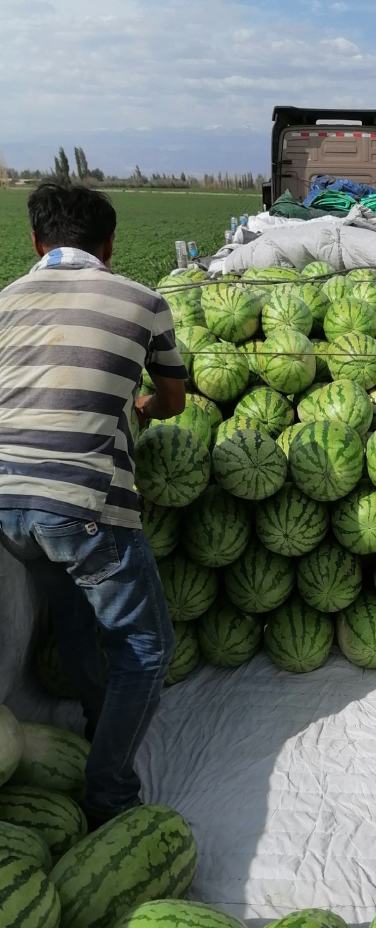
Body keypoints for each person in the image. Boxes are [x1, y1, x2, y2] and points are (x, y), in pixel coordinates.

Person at [0, 182, 187, 826]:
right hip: (81, 506)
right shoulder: (142, 301)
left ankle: (92, 721)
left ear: (35, 242)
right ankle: (108, 790)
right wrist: (137, 408)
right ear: (108, 246)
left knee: (76, 620)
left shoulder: (3, 302)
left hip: (7, 504)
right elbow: (172, 400)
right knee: (147, 646)